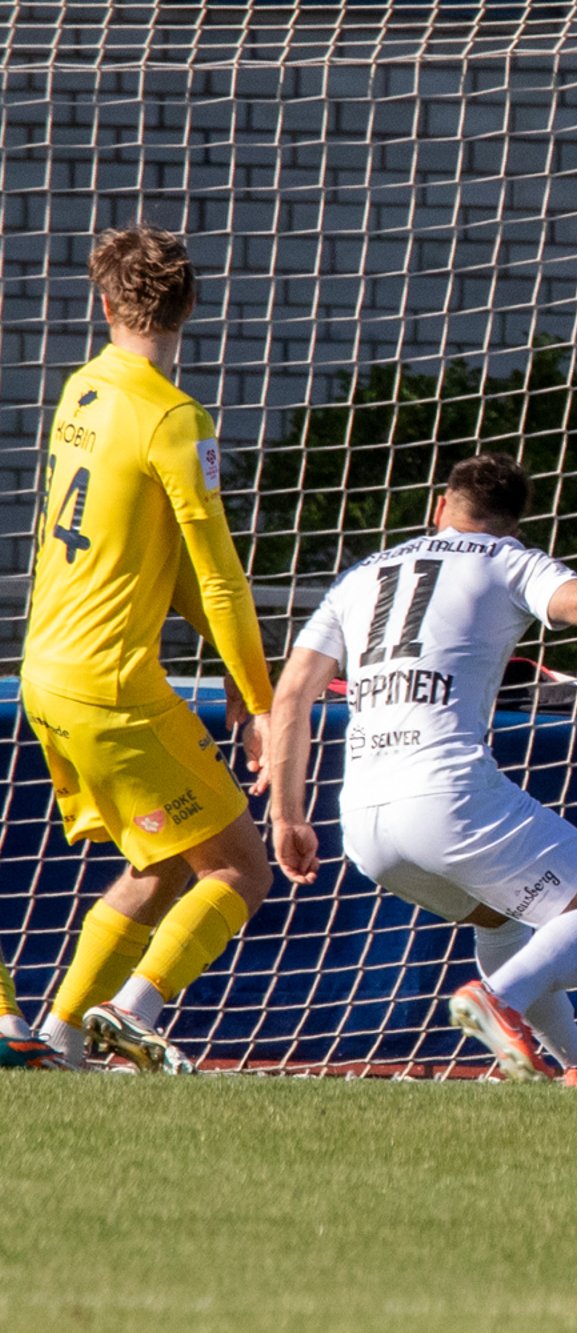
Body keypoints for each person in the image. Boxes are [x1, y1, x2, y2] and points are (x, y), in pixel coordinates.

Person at [265, 453, 577, 1086]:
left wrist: (286, 814)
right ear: (513, 526)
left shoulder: (361, 575)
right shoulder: (505, 560)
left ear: (441, 508)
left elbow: (291, 696)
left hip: (360, 821)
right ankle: (500, 1001)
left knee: (501, 918)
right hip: (445, 793)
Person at [23, 224, 276, 1075]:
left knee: (165, 855)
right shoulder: (176, 419)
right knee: (242, 866)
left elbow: (160, 570)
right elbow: (218, 580)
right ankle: (129, 1011)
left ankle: (56, 1039)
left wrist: (235, 669)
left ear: (104, 303)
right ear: (193, 307)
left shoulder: (80, 391)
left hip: (43, 672)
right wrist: (262, 702)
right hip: (112, 685)